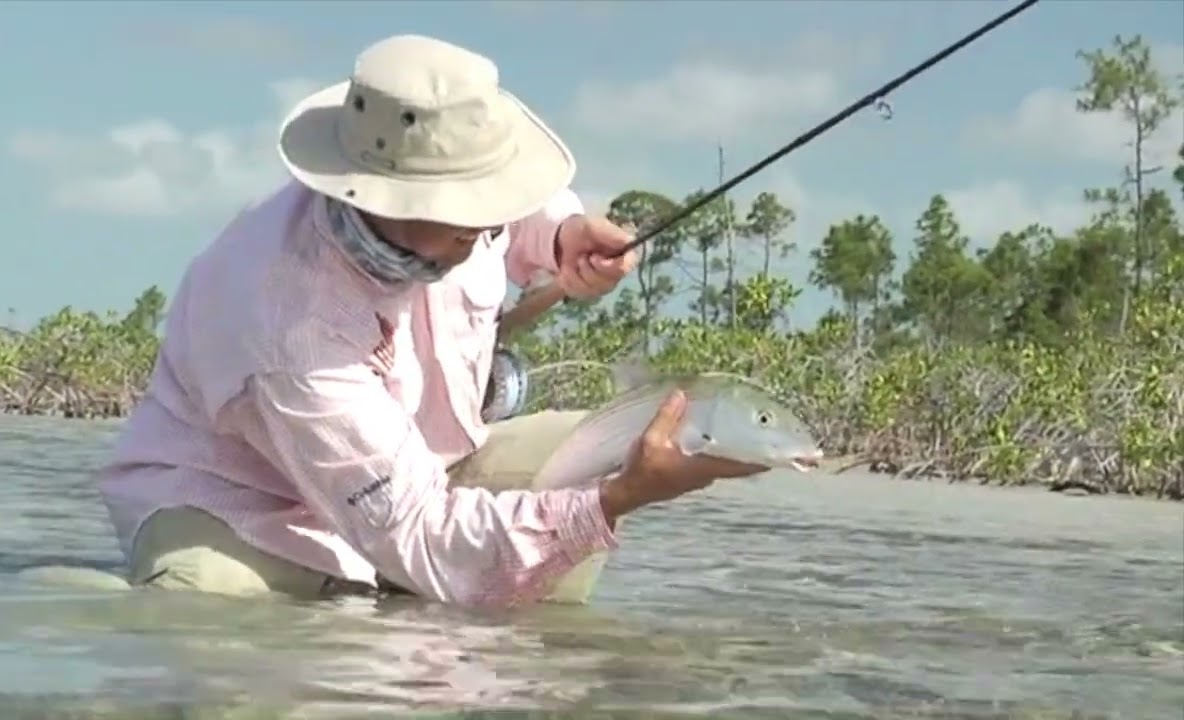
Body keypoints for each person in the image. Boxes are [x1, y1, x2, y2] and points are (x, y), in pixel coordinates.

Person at [95, 34, 767, 610]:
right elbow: (417, 529)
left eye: (495, 203)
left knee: (586, 458)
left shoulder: (467, 220)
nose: (489, 226)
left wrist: (560, 236)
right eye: (469, 210)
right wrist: (619, 499)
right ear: (375, 194)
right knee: (210, 611)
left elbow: (517, 215)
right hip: (246, 515)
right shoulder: (288, 319)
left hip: (428, 474)